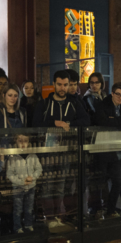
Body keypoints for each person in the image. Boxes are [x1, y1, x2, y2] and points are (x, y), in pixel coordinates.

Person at [34, 70, 90, 228]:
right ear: (53, 84)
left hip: (67, 151)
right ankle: (48, 217)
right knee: (46, 185)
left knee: (61, 184)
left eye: (65, 84)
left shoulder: (74, 103)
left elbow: (86, 121)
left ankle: (59, 215)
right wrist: (56, 123)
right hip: (47, 152)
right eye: (59, 84)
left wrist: (69, 124)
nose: (62, 88)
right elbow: (36, 123)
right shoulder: (44, 103)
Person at [92, 83, 121, 217]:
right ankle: (100, 208)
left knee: (118, 181)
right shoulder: (102, 105)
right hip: (102, 148)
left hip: (117, 149)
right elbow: (103, 121)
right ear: (112, 93)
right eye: (118, 94)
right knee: (101, 182)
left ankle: (111, 209)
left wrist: (115, 120)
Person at [6, 133, 41, 233]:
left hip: (31, 186)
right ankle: (17, 227)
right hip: (18, 187)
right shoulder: (13, 157)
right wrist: (21, 182)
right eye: (20, 141)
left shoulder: (33, 156)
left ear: (29, 142)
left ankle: (28, 224)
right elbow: (10, 174)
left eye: (25, 141)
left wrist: (32, 177)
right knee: (18, 209)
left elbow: (39, 169)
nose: (23, 144)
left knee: (29, 208)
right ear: (15, 141)